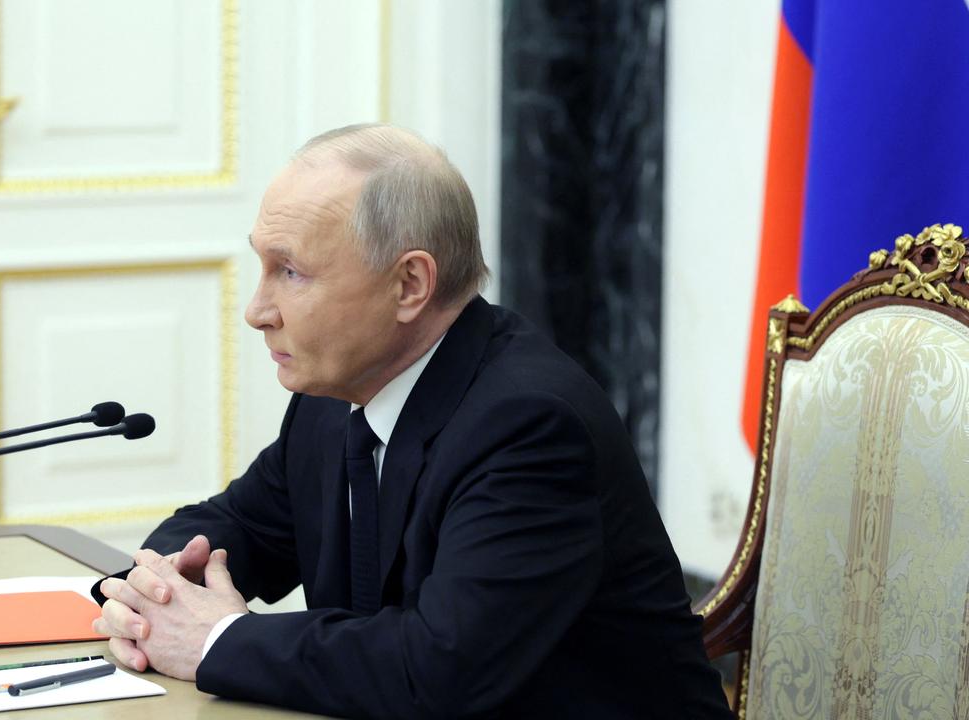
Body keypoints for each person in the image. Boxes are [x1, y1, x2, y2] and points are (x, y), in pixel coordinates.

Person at [90, 124, 732, 718]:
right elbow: (242, 523)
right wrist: (158, 591)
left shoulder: (529, 426)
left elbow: (441, 667)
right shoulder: (331, 397)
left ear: (409, 285)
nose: (257, 310)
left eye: (291, 272)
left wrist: (218, 640)